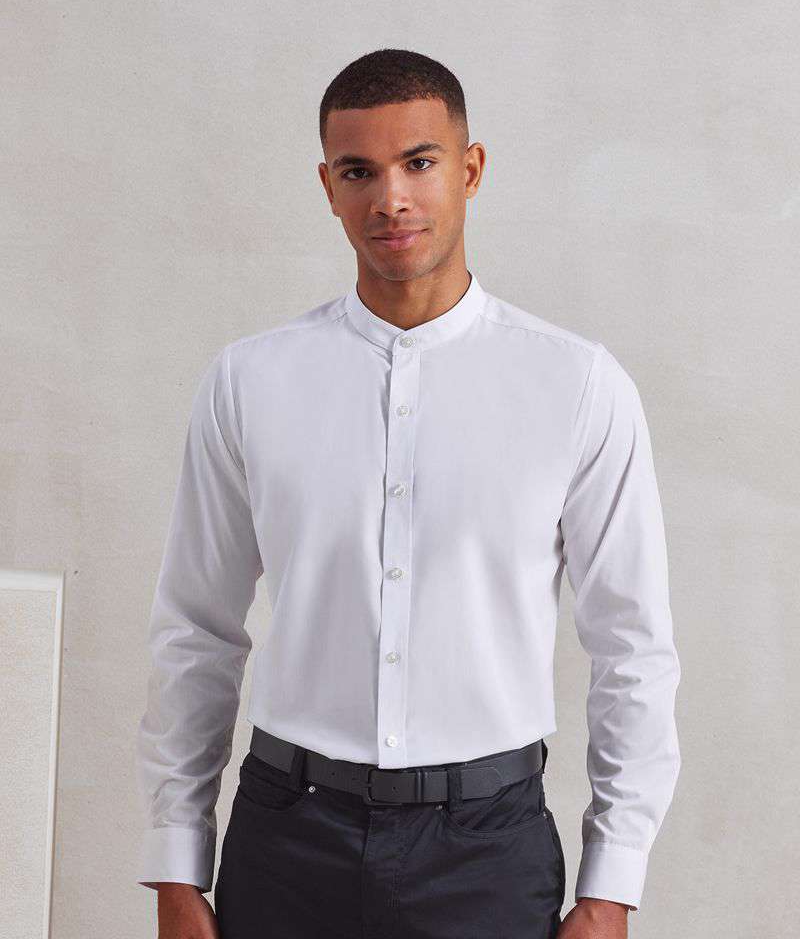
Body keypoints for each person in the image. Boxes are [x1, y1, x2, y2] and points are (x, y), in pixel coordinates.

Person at [136, 48, 681, 939]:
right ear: (328, 186)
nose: (391, 198)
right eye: (359, 171)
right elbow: (197, 628)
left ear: (470, 169)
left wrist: (611, 886)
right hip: (286, 837)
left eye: (419, 162)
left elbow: (633, 646)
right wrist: (174, 862)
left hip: (488, 850)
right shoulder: (249, 383)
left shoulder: (577, 386)